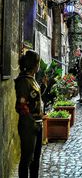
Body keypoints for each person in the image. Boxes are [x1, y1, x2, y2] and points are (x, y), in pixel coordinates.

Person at [15, 50, 42, 178]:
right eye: (38, 62)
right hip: (28, 125)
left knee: (36, 159)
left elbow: (35, 99)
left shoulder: (32, 79)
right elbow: (22, 105)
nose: (39, 65)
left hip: (37, 124)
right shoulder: (23, 81)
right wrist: (31, 122)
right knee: (27, 159)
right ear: (33, 64)